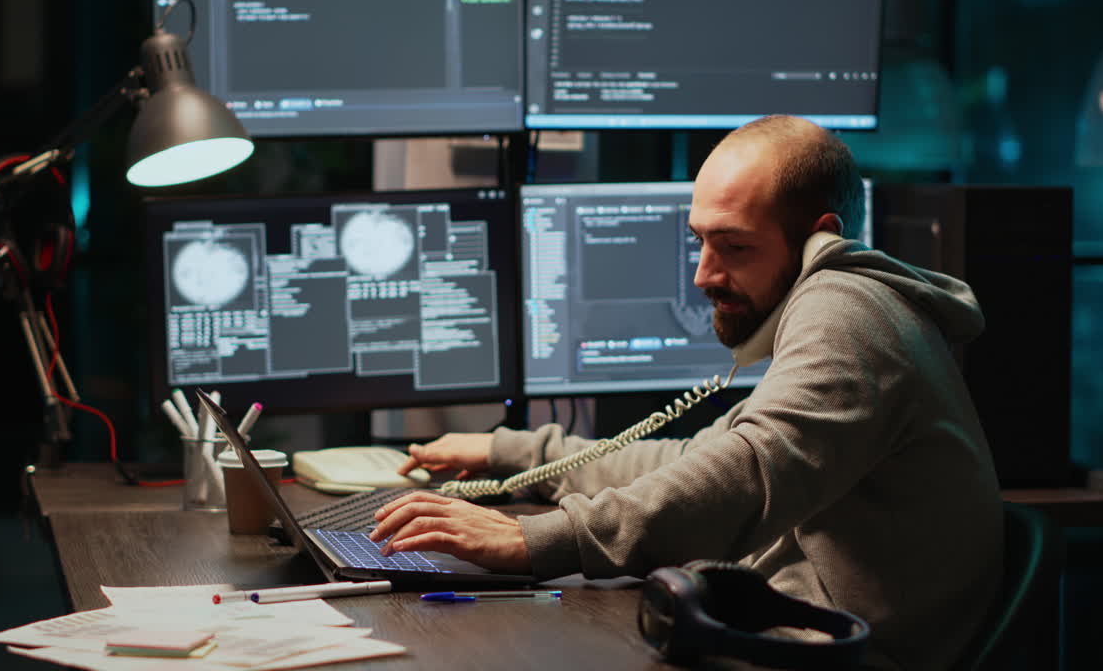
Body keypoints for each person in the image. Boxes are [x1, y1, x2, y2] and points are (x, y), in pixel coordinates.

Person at [370, 114, 1002, 670]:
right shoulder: (850, 309)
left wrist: (532, 540)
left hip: (839, 653)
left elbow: (745, 472)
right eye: (699, 240)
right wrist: (516, 454)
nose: (704, 274)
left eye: (734, 246)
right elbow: (692, 461)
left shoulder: (846, 309)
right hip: (789, 628)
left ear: (820, 236)